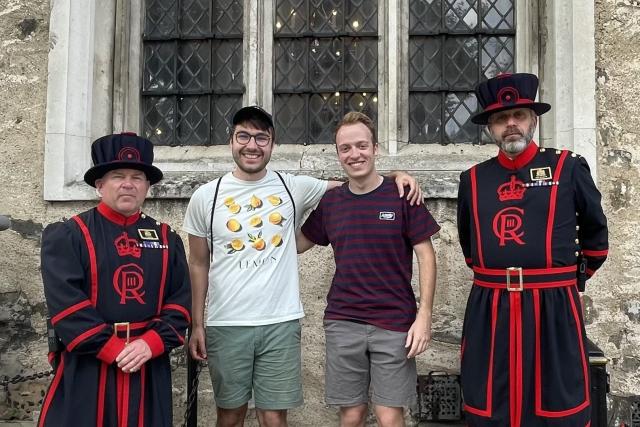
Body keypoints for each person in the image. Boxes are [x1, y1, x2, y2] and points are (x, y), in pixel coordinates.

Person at [183, 106, 422, 427]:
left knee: (274, 416)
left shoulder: (292, 186)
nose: (252, 145)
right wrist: (197, 323)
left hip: (280, 321)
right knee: (229, 414)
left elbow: (353, 182)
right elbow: (198, 263)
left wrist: (397, 176)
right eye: (244, 136)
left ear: (272, 144)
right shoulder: (205, 197)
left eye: (261, 138)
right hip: (227, 323)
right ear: (231, 141)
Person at [456, 73, 608, 427]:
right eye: (500, 118)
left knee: (558, 404)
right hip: (490, 307)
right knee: (492, 405)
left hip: (553, 304)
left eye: (519, 115)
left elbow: (596, 236)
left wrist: (567, 279)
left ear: (533, 120)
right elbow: (470, 246)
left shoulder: (567, 167)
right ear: (490, 127)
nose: (511, 124)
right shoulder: (473, 180)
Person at [296, 112, 440, 427]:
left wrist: (424, 316)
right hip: (343, 321)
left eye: (361, 145)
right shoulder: (331, 203)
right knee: (351, 414)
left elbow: (426, 256)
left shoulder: (402, 195)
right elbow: (296, 244)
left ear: (375, 148)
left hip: (394, 322)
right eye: (345, 148)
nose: (354, 154)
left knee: (390, 416)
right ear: (338, 154)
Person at [38, 133, 191, 427]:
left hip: (147, 364)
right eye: (117, 176)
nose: (128, 183)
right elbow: (66, 304)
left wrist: (151, 343)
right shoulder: (70, 235)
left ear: (147, 186)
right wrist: (113, 349)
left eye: (137, 177)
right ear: (99, 186)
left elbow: (180, 301)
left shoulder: (166, 238)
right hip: (89, 365)